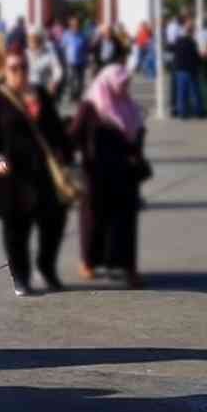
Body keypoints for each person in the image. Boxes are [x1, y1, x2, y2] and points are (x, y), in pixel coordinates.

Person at [0, 49, 73, 296]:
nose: (19, 72)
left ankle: (46, 267)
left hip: (43, 174)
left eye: (23, 67)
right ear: (4, 71)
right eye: (13, 68)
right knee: (16, 230)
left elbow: (55, 129)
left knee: (53, 222)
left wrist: (65, 156)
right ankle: (20, 276)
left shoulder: (39, 94)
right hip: (12, 177)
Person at [70, 64, 150, 287]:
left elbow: (138, 133)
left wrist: (137, 154)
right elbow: (74, 135)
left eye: (127, 83)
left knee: (125, 224)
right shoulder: (90, 106)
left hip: (125, 175)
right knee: (93, 220)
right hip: (95, 175)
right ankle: (88, 262)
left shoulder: (129, 106)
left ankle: (128, 268)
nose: (125, 87)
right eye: (121, 83)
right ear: (108, 82)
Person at [168, 25, 203, 119]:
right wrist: (200, 62)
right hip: (191, 69)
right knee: (195, 92)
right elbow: (196, 56)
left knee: (181, 93)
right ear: (192, 32)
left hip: (180, 69)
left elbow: (170, 48)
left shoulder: (178, 41)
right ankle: (198, 112)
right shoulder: (193, 42)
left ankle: (182, 113)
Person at [61, 16, 89, 103]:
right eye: (73, 24)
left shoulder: (83, 35)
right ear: (70, 25)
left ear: (79, 25)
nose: (75, 26)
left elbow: (87, 48)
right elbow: (62, 47)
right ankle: (71, 95)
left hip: (81, 61)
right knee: (71, 80)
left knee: (81, 81)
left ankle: (78, 96)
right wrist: (63, 59)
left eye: (76, 24)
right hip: (70, 61)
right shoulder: (66, 35)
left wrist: (86, 59)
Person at [26, 31, 63, 97]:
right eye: (29, 42)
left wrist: (54, 82)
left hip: (44, 88)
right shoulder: (26, 53)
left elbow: (57, 69)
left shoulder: (48, 54)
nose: (31, 45)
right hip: (29, 89)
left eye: (34, 42)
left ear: (40, 43)